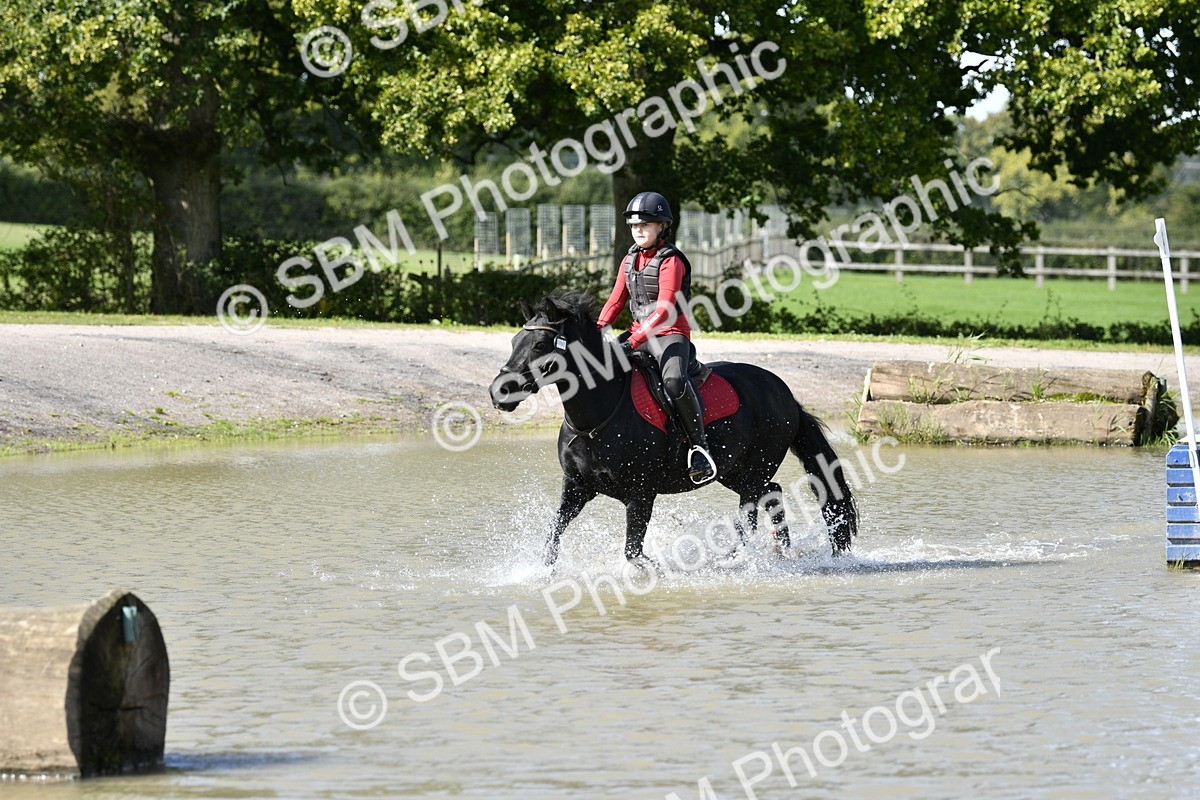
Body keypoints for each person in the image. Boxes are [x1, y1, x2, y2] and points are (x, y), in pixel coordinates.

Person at [596, 191, 718, 484]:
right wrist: (596, 331)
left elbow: (663, 310)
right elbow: (615, 301)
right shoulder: (629, 259)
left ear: (662, 226)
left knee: (674, 382)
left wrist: (632, 342)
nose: (639, 230)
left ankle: (700, 449)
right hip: (639, 332)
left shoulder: (671, 261)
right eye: (635, 225)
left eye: (646, 225)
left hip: (670, 335)